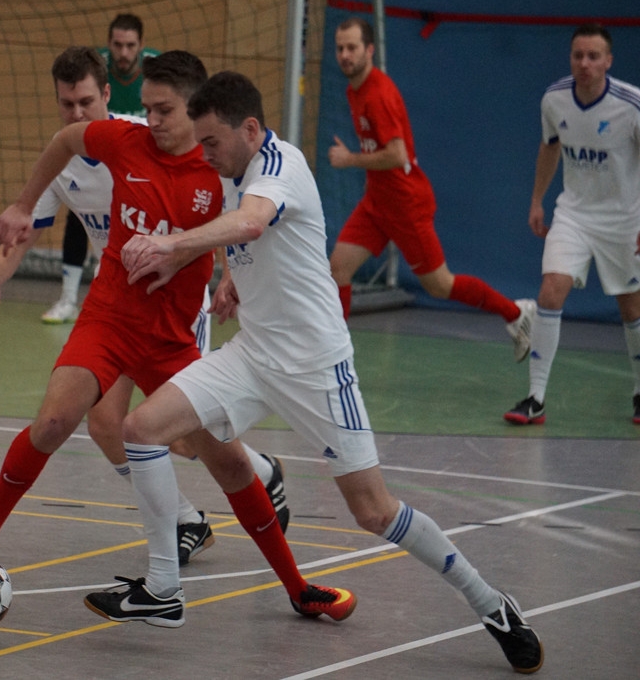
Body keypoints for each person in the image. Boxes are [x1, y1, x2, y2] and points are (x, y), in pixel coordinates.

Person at [105, 71, 543, 674]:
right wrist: (232, 277)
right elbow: (248, 235)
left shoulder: (279, 166)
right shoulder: (232, 170)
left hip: (316, 367)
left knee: (374, 512)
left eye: (211, 142)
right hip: (253, 355)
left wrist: (172, 244)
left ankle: (491, 603)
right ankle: (162, 590)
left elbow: (252, 222)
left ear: (250, 129)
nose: (204, 154)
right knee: (141, 429)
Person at [0, 53, 313, 621]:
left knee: (222, 461)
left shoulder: (223, 170)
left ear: (195, 110)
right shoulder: (123, 142)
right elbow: (64, 140)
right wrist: (23, 205)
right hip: (110, 317)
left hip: (173, 335)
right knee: (56, 422)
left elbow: (242, 228)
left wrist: (229, 276)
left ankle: (297, 585)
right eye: (147, 107)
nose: (151, 119)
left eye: (164, 110)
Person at [327, 16, 536, 362]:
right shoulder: (354, 90)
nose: (345, 55)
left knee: (440, 285)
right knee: (339, 268)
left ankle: (516, 313)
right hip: (377, 202)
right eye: (340, 49)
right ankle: (334, 356)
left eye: (352, 48)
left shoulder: (378, 94)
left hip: (406, 205)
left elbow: (397, 154)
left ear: (370, 50)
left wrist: (350, 159)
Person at [504, 24, 640, 425]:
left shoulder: (631, 105)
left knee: (632, 307)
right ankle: (535, 398)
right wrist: (537, 200)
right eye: (578, 55)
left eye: (594, 56)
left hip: (624, 219)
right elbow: (550, 148)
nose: (585, 63)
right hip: (574, 215)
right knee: (550, 291)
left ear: (608, 61)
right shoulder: (554, 99)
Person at [42, 14, 161, 323]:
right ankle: (68, 298)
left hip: (134, 164)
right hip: (92, 154)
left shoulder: (156, 71)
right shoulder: (92, 70)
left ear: (142, 45)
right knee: (79, 209)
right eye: (117, 45)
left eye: (130, 46)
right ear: (108, 45)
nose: (123, 53)